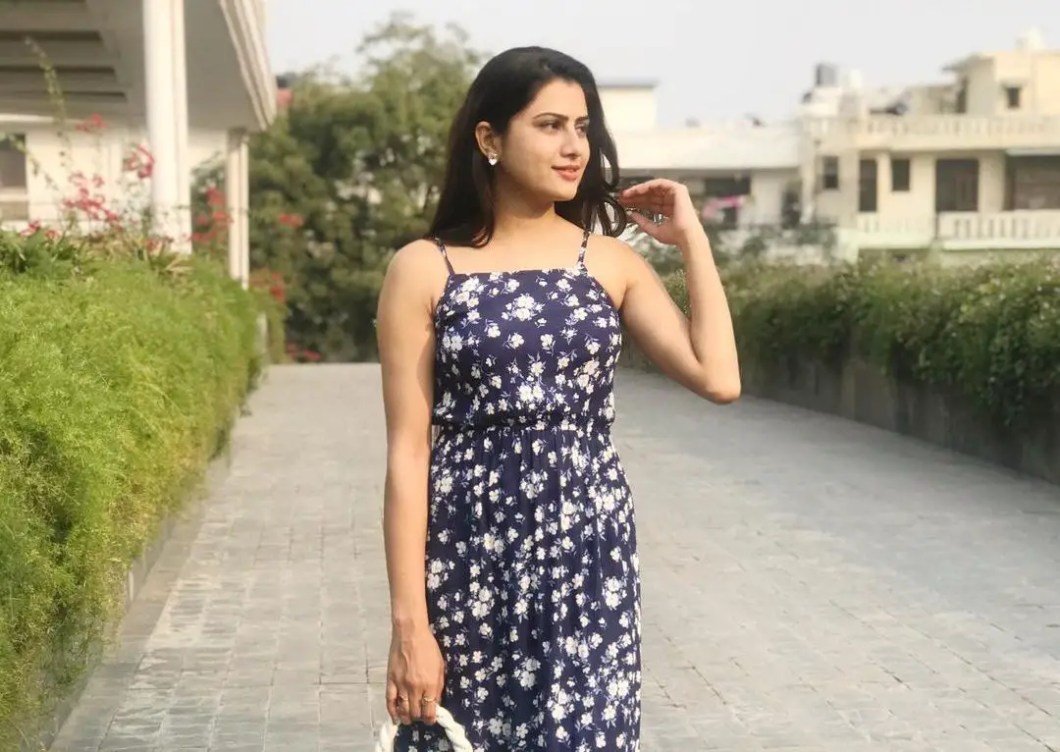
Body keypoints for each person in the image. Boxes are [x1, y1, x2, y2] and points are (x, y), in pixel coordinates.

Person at [375, 45, 740, 751]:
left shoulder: (608, 263)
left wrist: (691, 240)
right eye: (549, 125)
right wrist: (409, 625)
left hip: (589, 552)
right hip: (468, 554)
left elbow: (719, 378)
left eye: (582, 127)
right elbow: (408, 452)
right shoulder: (424, 268)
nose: (574, 147)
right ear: (489, 138)